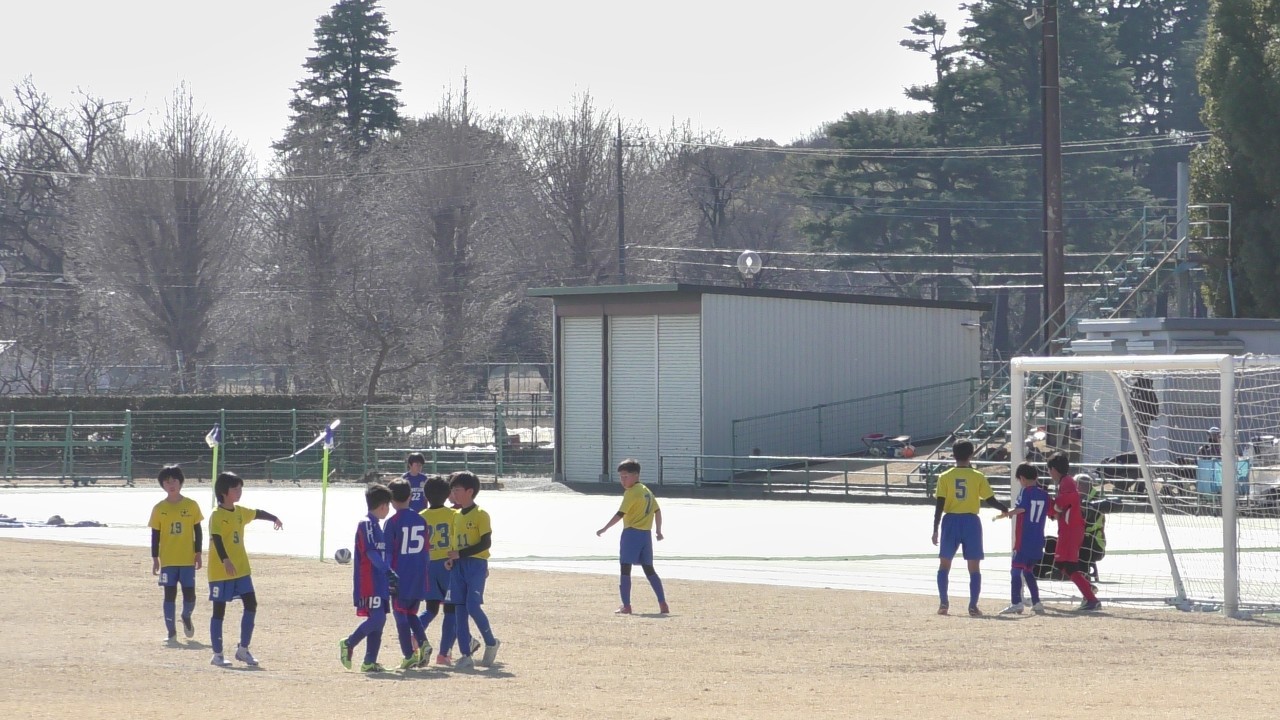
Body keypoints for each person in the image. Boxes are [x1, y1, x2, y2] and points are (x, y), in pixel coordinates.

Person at [207, 471, 283, 667]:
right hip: (220, 571)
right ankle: (217, 654)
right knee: (219, 611)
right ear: (224, 492)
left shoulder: (240, 511)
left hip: (241, 569)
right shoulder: (216, 515)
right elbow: (216, 539)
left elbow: (256, 513)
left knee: (251, 604)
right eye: (235, 489)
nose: (239, 492)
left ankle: (243, 649)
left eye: (240, 488)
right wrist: (225, 560)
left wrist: (274, 517)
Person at [931, 440, 1008, 616]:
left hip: (950, 521)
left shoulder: (945, 476)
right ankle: (973, 606)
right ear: (971, 455)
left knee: (944, 564)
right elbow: (990, 499)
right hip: (971, 522)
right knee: (974, 567)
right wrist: (1004, 509)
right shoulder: (977, 476)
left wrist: (935, 529)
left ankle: (943, 603)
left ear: (953, 455)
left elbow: (939, 505)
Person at [596, 458, 669, 615]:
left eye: (625, 476)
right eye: (621, 477)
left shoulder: (631, 492)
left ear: (636, 475)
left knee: (625, 568)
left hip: (631, 534)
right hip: (646, 536)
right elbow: (657, 511)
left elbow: (620, 514)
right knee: (649, 570)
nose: (622, 480)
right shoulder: (646, 491)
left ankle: (626, 605)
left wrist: (605, 528)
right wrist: (658, 530)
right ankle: (663, 603)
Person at [418, 475, 477, 666]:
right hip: (448, 565)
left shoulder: (421, 516)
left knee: (431, 608)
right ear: (447, 495)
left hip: (428, 566)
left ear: (425, 496)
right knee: (451, 610)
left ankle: (415, 633)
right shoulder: (454, 515)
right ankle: (443, 654)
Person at [339, 483, 397, 673]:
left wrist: (388, 573)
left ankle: (369, 661)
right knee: (377, 619)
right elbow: (371, 553)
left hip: (380, 581)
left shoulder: (378, 527)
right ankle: (349, 642)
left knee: (379, 621)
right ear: (382, 506)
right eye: (387, 505)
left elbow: (382, 554)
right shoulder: (367, 525)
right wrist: (387, 571)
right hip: (369, 581)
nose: (388, 510)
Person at [447, 471, 500, 669]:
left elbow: (486, 542)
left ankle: (491, 642)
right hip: (458, 566)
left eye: (457, 490)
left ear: (470, 492)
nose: (454, 493)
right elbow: (453, 544)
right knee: (459, 609)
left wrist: (461, 554)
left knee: (472, 606)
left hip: (475, 564)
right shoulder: (455, 516)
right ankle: (465, 655)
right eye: (452, 490)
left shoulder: (481, 515)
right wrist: (450, 559)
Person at [148, 464, 203, 644]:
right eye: (167, 482)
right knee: (169, 595)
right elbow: (155, 534)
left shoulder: (191, 505)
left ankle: (186, 616)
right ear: (162, 485)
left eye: (174, 481)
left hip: (187, 559)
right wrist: (155, 558)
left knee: (190, 596)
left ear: (181, 483)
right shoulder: (158, 508)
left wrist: (198, 553)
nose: (171, 484)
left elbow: (198, 531)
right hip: (168, 561)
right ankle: (171, 632)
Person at [384, 478, 432, 670]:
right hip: (419, 572)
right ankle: (423, 643)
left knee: (400, 614)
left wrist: (387, 574)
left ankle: (408, 654)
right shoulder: (421, 519)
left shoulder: (392, 522)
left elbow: (387, 551)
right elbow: (426, 550)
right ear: (411, 497)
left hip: (400, 574)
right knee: (412, 612)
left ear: (390, 500)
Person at [1046, 452, 1102, 611]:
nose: (1049, 474)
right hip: (1069, 529)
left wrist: (1055, 506)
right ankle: (1087, 588)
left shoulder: (1067, 483)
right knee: (1061, 564)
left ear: (1054, 470)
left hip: (1071, 530)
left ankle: (1092, 600)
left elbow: (1069, 499)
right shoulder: (1065, 482)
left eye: (1049, 470)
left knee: (1067, 566)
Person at [994, 463, 1048, 615]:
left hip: (1024, 539)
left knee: (1016, 570)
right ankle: (1036, 602)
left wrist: (1009, 512)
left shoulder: (1026, 492)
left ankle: (1016, 602)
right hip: (1038, 539)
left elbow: (1022, 508)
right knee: (1028, 571)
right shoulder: (1044, 495)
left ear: (1022, 479)